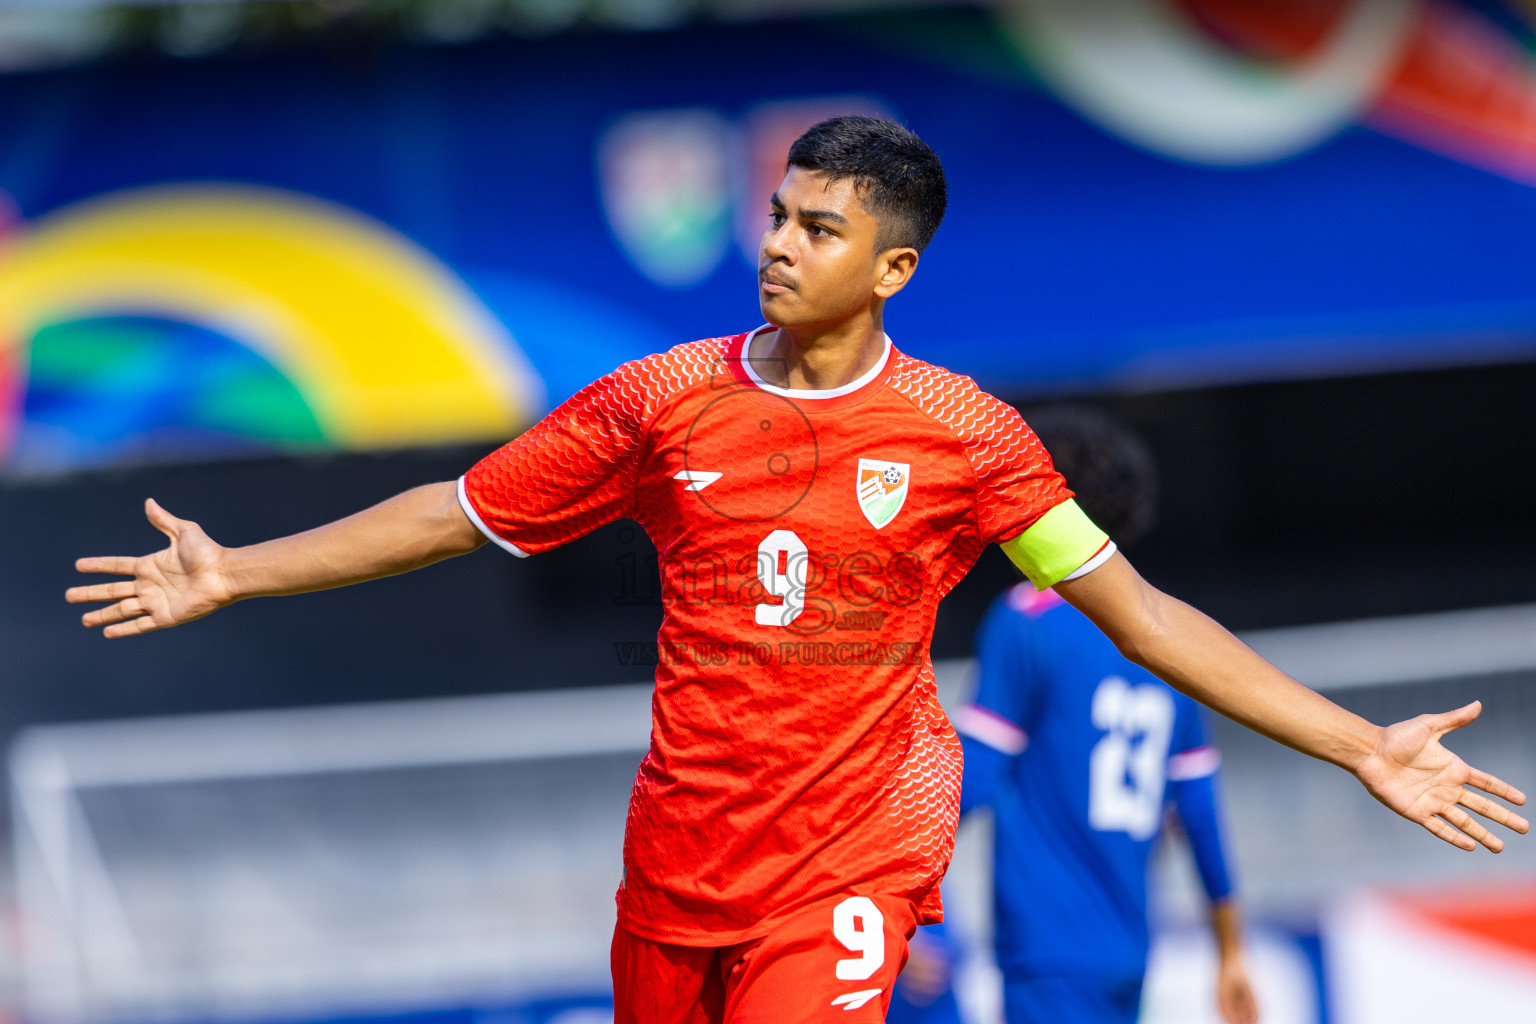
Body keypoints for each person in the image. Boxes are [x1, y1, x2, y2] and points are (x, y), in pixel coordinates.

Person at [67, 117, 1525, 1024]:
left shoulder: (968, 436)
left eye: (819, 229)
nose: (777, 244)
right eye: (777, 214)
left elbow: (1139, 617)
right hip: (678, 858)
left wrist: (1357, 745)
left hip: (851, 856)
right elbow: (460, 513)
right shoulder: (658, 399)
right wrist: (237, 571)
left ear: (892, 270)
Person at [956, 405, 1257, 1024]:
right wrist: (1231, 953)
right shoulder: (1173, 637)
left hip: (1047, 947)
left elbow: (974, 778)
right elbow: (1199, 810)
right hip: (1129, 946)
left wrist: (886, 900)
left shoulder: (1026, 619)